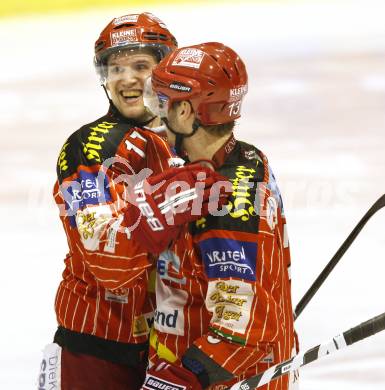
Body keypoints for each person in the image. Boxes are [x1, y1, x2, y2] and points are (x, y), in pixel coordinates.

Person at [38, 14, 229, 390]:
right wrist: (178, 193)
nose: (127, 78)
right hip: (96, 355)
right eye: (115, 67)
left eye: (141, 65)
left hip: (172, 354)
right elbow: (109, 261)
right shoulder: (93, 148)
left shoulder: (187, 142)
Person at [142, 42, 297, 389]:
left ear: (186, 112)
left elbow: (245, 330)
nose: (159, 115)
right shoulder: (248, 157)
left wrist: (186, 376)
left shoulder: (222, 201)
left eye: (164, 103)